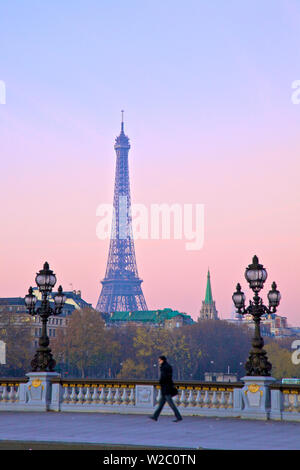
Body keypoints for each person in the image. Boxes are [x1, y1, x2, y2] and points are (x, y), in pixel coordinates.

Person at [149, 355, 182, 422]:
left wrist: (161, 382)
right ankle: (155, 416)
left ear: (162, 360)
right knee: (161, 404)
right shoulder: (168, 366)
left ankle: (179, 417)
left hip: (165, 388)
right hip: (167, 388)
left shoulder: (164, 367)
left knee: (171, 404)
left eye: (159, 360)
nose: (159, 362)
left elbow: (163, 378)